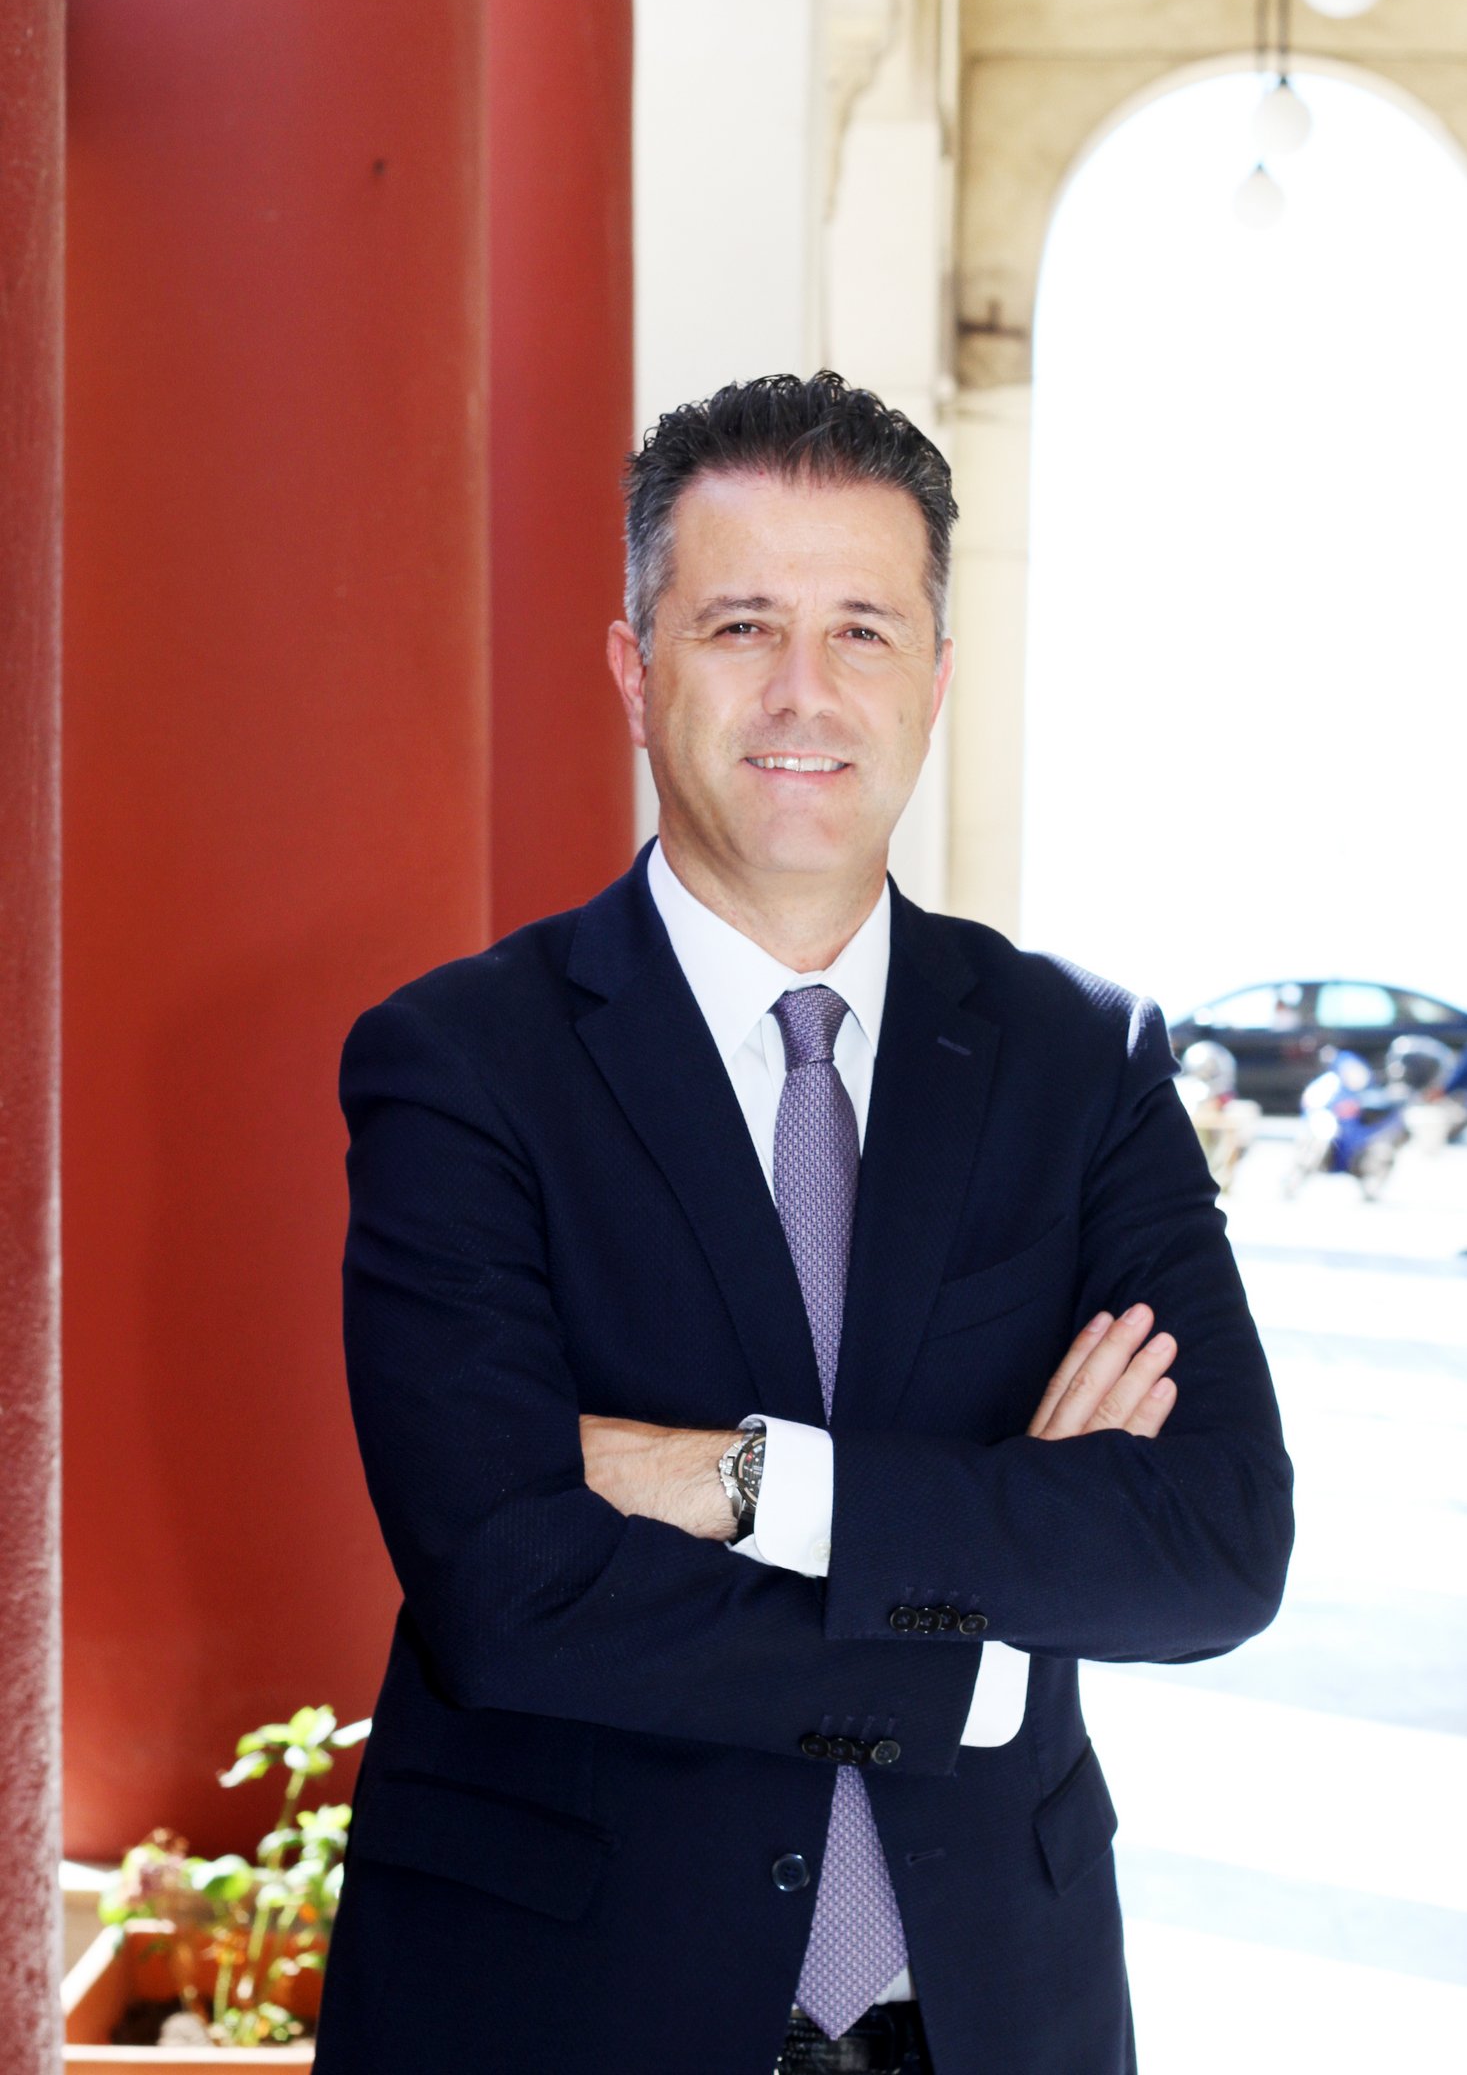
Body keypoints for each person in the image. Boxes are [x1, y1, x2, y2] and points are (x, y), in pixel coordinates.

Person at [313, 373, 1294, 2075]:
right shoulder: (458, 1066)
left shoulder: (1084, 1061)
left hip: (996, 2012)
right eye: (740, 624)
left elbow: (1213, 1544)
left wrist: (753, 1483)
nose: (803, 691)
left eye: (861, 629)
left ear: (935, 680)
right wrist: (981, 1638)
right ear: (635, 669)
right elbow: (511, 1588)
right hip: (565, 2013)